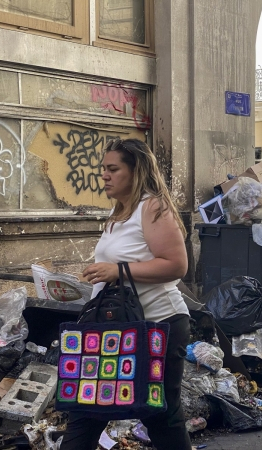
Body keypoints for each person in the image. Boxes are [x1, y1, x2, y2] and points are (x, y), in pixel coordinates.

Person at [61, 138, 193, 450]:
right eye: (103, 169)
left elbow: (176, 265)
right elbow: (115, 267)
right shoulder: (119, 213)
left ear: (135, 172)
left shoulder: (152, 206)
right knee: (86, 407)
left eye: (112, 169)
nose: (104, 175)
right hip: (114, 331)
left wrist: (117, 271)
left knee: (161, 414)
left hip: (158, 327)